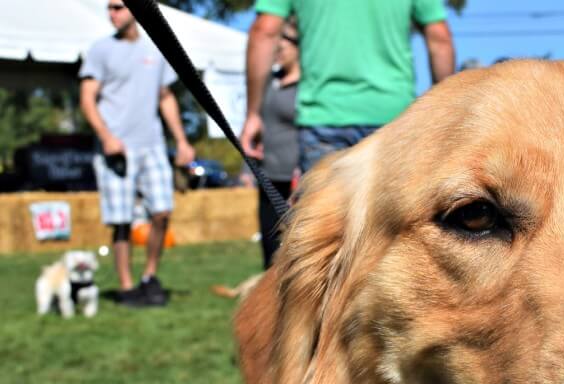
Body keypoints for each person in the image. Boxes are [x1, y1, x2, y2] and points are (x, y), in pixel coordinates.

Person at [242, 1, 455, 173]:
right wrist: (443, 108)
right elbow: (440, 38)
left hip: (324, 119)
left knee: (325, 223)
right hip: (393, 119)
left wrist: (253, 113)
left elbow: (264, 31)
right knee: (389, 223)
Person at [79, 0, 194, 307]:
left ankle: (149, 276)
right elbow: (87, 98)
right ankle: (127, 287)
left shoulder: (155, 49)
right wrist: (106, 136)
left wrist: (182, 141)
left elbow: (165, 97)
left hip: (152, 145)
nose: (112, 13)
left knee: (162, 212)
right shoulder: (101, 50)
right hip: (116, 148)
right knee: (121, 221)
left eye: (118, 7)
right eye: (109, 8)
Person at [257, 19, 301, 269]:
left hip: (296, 177)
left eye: (282, 47)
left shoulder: (308, 86)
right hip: (267, 174)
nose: (278, 52)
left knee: (293, 248)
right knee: (269, 246)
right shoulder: (268, 82)